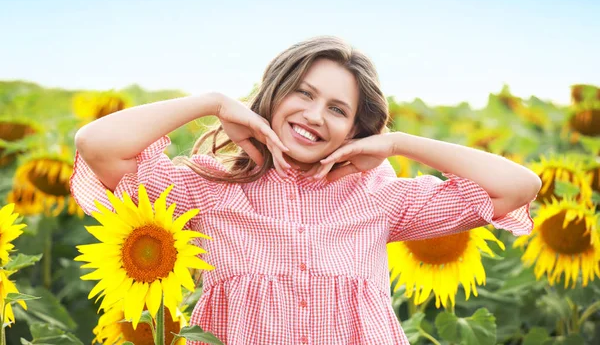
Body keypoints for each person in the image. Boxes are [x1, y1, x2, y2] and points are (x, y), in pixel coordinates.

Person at [70, 35, 541, 345]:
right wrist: (213, 103)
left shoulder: (377, 195)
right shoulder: (207, 186)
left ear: (358, 128)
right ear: (273, 94)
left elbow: (517, 188)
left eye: (338, 109)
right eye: (304, 92)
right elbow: (97, 145)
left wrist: (399, 143)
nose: (316, 115)